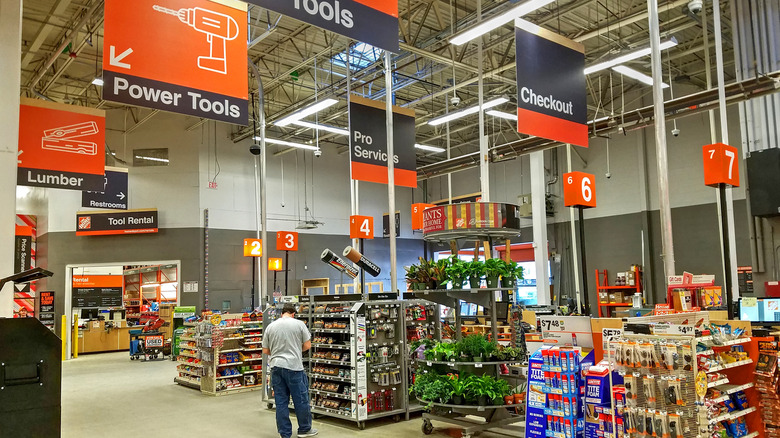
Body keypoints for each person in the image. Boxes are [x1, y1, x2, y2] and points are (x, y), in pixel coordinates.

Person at [263, 304, 317, 438]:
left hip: (276, 367)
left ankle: (284, 433)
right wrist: (296, 350)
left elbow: (265, 350)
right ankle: (304, 429)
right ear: (293, 314)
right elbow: (307, 345)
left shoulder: (271, 326)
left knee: (281, 402)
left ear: (282, 313)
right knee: (301, 400)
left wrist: (277, 352)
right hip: (294, 367)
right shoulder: (299, 324)